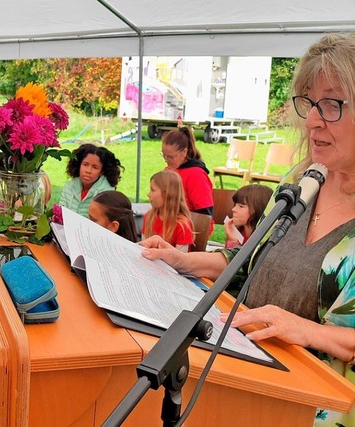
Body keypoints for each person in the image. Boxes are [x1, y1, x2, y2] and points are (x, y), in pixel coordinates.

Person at [141, 33, 355, 426]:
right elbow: (246, 263)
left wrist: (304, 329)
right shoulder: (303, 183)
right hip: (242, 386)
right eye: (308, 102)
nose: (311, 120)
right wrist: (182, 261)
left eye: (331, 104)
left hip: (315, 411)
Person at [59, 143, 123, 217]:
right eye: (85, 164)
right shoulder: (69, 186)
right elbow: (60, 213)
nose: (88, 171)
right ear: (79, 165)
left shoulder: (106, 193)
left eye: (95, 167)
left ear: (102, 172)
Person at [161, 128, 214, 217]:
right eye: (164, 155)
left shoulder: (196, 175)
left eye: (170, 157)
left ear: (184, 152)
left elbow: (205, 215)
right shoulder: (169, 170)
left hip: (191, 226)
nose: (166, 160)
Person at [142, 170, 194, 252]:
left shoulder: (182, 226)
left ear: (167, 194)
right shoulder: (149, 217)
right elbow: (142, 247)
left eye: (152, 190)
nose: (148, 194)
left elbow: (179, 260)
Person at [224, 184, 273, 249]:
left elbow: (240, 258)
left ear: (258, 209)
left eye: (241, 206)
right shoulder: (237, 231)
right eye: (235, 205)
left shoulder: (262, 240)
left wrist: (233, 242)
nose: (233, 209)